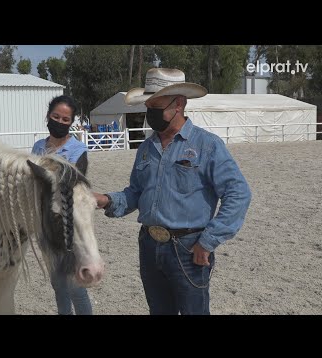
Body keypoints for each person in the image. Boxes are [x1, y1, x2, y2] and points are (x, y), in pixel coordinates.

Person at [93, 68, 252, 315]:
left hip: (189, 249)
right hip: (149, 245)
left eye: (156, 104)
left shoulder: (207, 145)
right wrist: (105, 200)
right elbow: (135, 192)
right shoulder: (146, 147)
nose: (150, 112)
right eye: (148, 104)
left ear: (179, 104)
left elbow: (238, 193)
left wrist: (208, 241)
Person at [31, 94, 93, 315]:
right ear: (48, 116)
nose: (59, 122)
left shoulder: (77, 150)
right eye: (55, 116)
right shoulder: (38, 146)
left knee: (75, 286)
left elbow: (73, 187)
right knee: (57, 283)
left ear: (71, 122)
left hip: (67, 224)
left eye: (65, 119)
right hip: (45, 224)